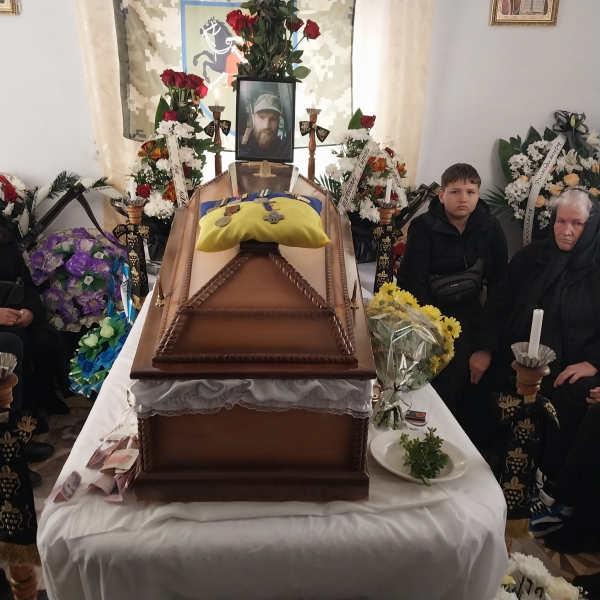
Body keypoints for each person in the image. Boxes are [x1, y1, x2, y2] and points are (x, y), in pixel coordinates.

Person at [466, 190, 600, 508]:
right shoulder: (532, 257)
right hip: (516, 356)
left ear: (591, 226)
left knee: (569, 394)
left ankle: (544, 482)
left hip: (569, 363)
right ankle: (477, 465)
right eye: (561, 221)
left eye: (577, 224)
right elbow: (499, 303)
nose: (566, 231)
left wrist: (594, 362)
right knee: (481, 382)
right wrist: (485, 347)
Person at [397, 163, 508, 414]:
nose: (463, 198)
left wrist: (486, 343)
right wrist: (433, 327)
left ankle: (455, 425)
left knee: (467, 371)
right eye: (455, 191)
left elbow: (501, 285)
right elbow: (412, 280)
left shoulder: (490, 227)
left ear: (478, 195)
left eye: (470, 192)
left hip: (470, 310)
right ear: (441, 195)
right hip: (429, 310)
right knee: (438, 366)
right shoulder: (423, 227)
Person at [0, 226, 69, 414]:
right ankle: (22, 411)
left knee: (44, 337)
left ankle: (44, 394)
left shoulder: (5, 237)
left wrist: (30, 310)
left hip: (15, 310)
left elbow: (26, 283)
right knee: (16, 337)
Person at [238, 92, 292, 161]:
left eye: (273, 119)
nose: (266, 126)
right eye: (262, 117)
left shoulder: (285, 150)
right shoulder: (240, 146)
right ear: (253, 119)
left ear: (278, 122)